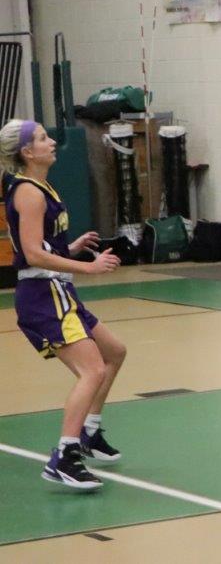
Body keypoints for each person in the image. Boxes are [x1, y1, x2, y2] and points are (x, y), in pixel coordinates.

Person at [0, 119, 126, 490]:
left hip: (57, 291)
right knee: (92, 370)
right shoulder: (29, 192)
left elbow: (40, 247)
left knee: (114, 353)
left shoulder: (41, 186)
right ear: (27, 152)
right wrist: (88, 267)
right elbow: (32, 254)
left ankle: (89, 431)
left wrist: (69, 249)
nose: (52, 142)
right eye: (43, 138)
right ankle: (65, 457)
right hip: (43, 296)